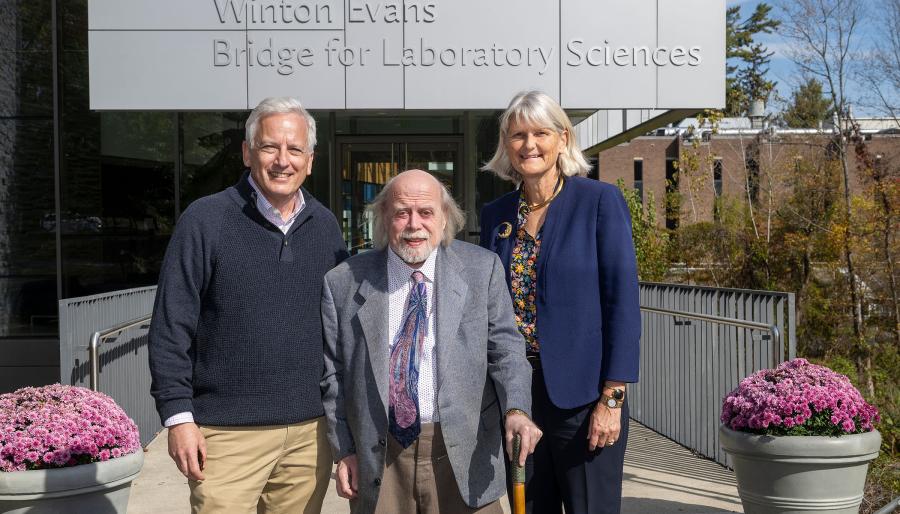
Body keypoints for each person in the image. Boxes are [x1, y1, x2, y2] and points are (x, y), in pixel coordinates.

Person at [148, 97, 348, 513]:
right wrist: (178, 417)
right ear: (246, 152)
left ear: (310, 161)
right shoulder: (205, 220)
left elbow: (341, 327)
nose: (282, 160)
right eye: (269, 147)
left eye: (295, 150)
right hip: (225, 435)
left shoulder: (326, 227)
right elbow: (171, 325)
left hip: (308, 434)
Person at [321, 169, 542, 513]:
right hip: (381, 457)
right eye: (401, 212)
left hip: (465, 451)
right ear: (383, 218)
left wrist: (516, 409)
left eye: (425, 212)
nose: (414, 224)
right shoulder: (342, 283)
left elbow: (507, 352)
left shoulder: (482, 270)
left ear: (444, 219)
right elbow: (332, 376)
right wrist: (344, 449)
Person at [479, 91, 641, 514]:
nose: (529, 144)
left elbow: (622, 303)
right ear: (505, 143)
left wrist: (613, 399)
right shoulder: (496, 215)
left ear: (562, 138)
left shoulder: (599, 202)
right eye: (517, 135)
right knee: (529, 508)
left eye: (540, 133)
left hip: (585, 398)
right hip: (518, 396)